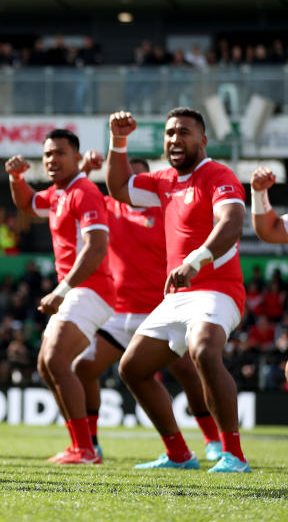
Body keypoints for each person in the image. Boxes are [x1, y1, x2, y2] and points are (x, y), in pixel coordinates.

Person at [106, 108, 249, 473]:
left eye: (184, 132)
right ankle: (179, 454)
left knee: (203, 351)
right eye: (169, 133)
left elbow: (232, 222)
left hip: (217, 289)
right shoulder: (164, 180)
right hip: (177, 296)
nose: (174, 139)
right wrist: (118, 141)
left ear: (203, 140)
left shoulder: (219, 175)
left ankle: (233, 454)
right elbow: (119, 188)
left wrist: (197, 260)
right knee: (133, 368)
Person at [74, 151, 222, 461]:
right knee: (83, 368)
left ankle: (213, 440)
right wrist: (85, 171)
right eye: (127, 180)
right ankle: (91, 443)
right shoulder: (108, 207)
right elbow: (79, 202)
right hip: (117, 314)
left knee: (188, 372)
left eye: (138, 179)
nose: (133, 185)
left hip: (160, 310)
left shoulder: (170, 211)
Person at [6, 128, 113, 465]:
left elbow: (96, 248)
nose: (52, 160)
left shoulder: (85, 191)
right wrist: (16, 177)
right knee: (45, 363)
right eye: (48, 154)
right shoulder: (57, 194)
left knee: (55, 360)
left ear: (77, 158)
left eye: (60, 153)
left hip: (91, 289)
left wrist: (61, 290)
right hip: (76, 290)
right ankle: (80, 446)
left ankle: (85, 449)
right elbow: (26, 203)